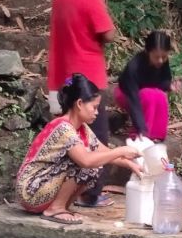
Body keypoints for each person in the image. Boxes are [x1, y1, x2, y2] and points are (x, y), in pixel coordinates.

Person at [16, 74, 141, 225]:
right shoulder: (63, 128)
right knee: (87, 165)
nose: (97, 112)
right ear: (80, 103)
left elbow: (103, 151)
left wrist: (132, 164)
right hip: (30, 191)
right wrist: (121, 151)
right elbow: (86, 161)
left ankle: (62, 207)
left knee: (94, 163)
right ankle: (56, 208)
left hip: (42, 188)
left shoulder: (81, 128)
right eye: (94, 107)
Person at [46, 0, 117, 208]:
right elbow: (108, 34)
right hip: (89, 75)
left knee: (70, 136)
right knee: (95, 137)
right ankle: (90, 193)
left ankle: (63, 192)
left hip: (66, 77)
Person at [114, 30, 182, 142]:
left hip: (147, 91)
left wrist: (170, 86)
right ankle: (142, 134)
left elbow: (163, 81)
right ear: (147, 52)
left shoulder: (163, 61)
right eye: (156, 57)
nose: (161, 60)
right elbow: (133, 99)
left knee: (160, 95)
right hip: (126, 93)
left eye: (164, 57)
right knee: (149, 95)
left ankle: (157, 135)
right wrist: (140, 128)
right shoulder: (134, 67)